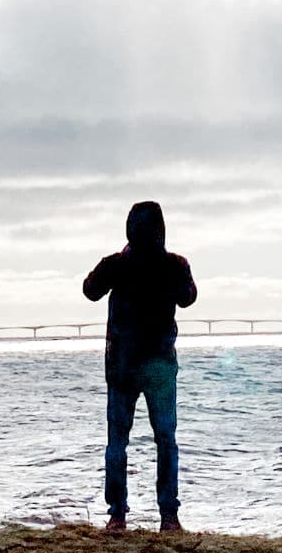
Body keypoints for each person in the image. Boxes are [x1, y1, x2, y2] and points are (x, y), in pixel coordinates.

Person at [83, 199, 197, 533]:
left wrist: (117, 260)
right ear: (162, 229)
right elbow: (189, 297)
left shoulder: (117, 264)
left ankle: (117, 515)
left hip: (121, 365)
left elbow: (90, 291)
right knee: (166, 440)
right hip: (160, 364)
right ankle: (169, 517)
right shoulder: (174, 265)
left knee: (118, 442)